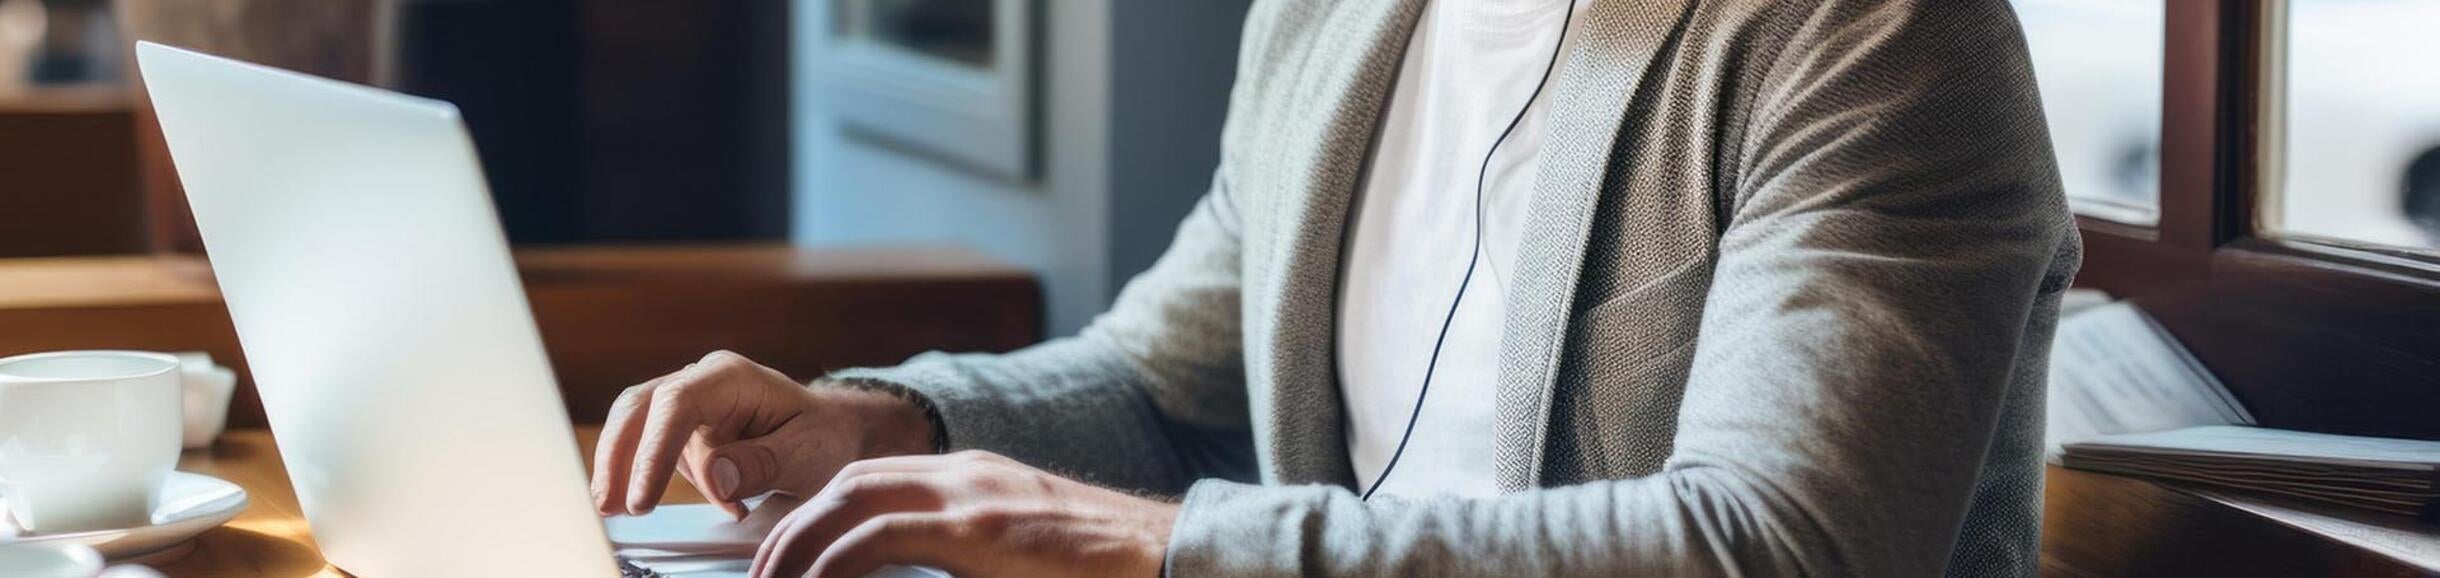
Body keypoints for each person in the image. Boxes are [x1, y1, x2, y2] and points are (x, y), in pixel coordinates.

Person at [591, 0, 2082, 576]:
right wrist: (881, 425)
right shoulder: (1330, 23)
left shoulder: (1882, 39)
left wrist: (1165, 547)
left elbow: (1776, 547)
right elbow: (1160, 386)